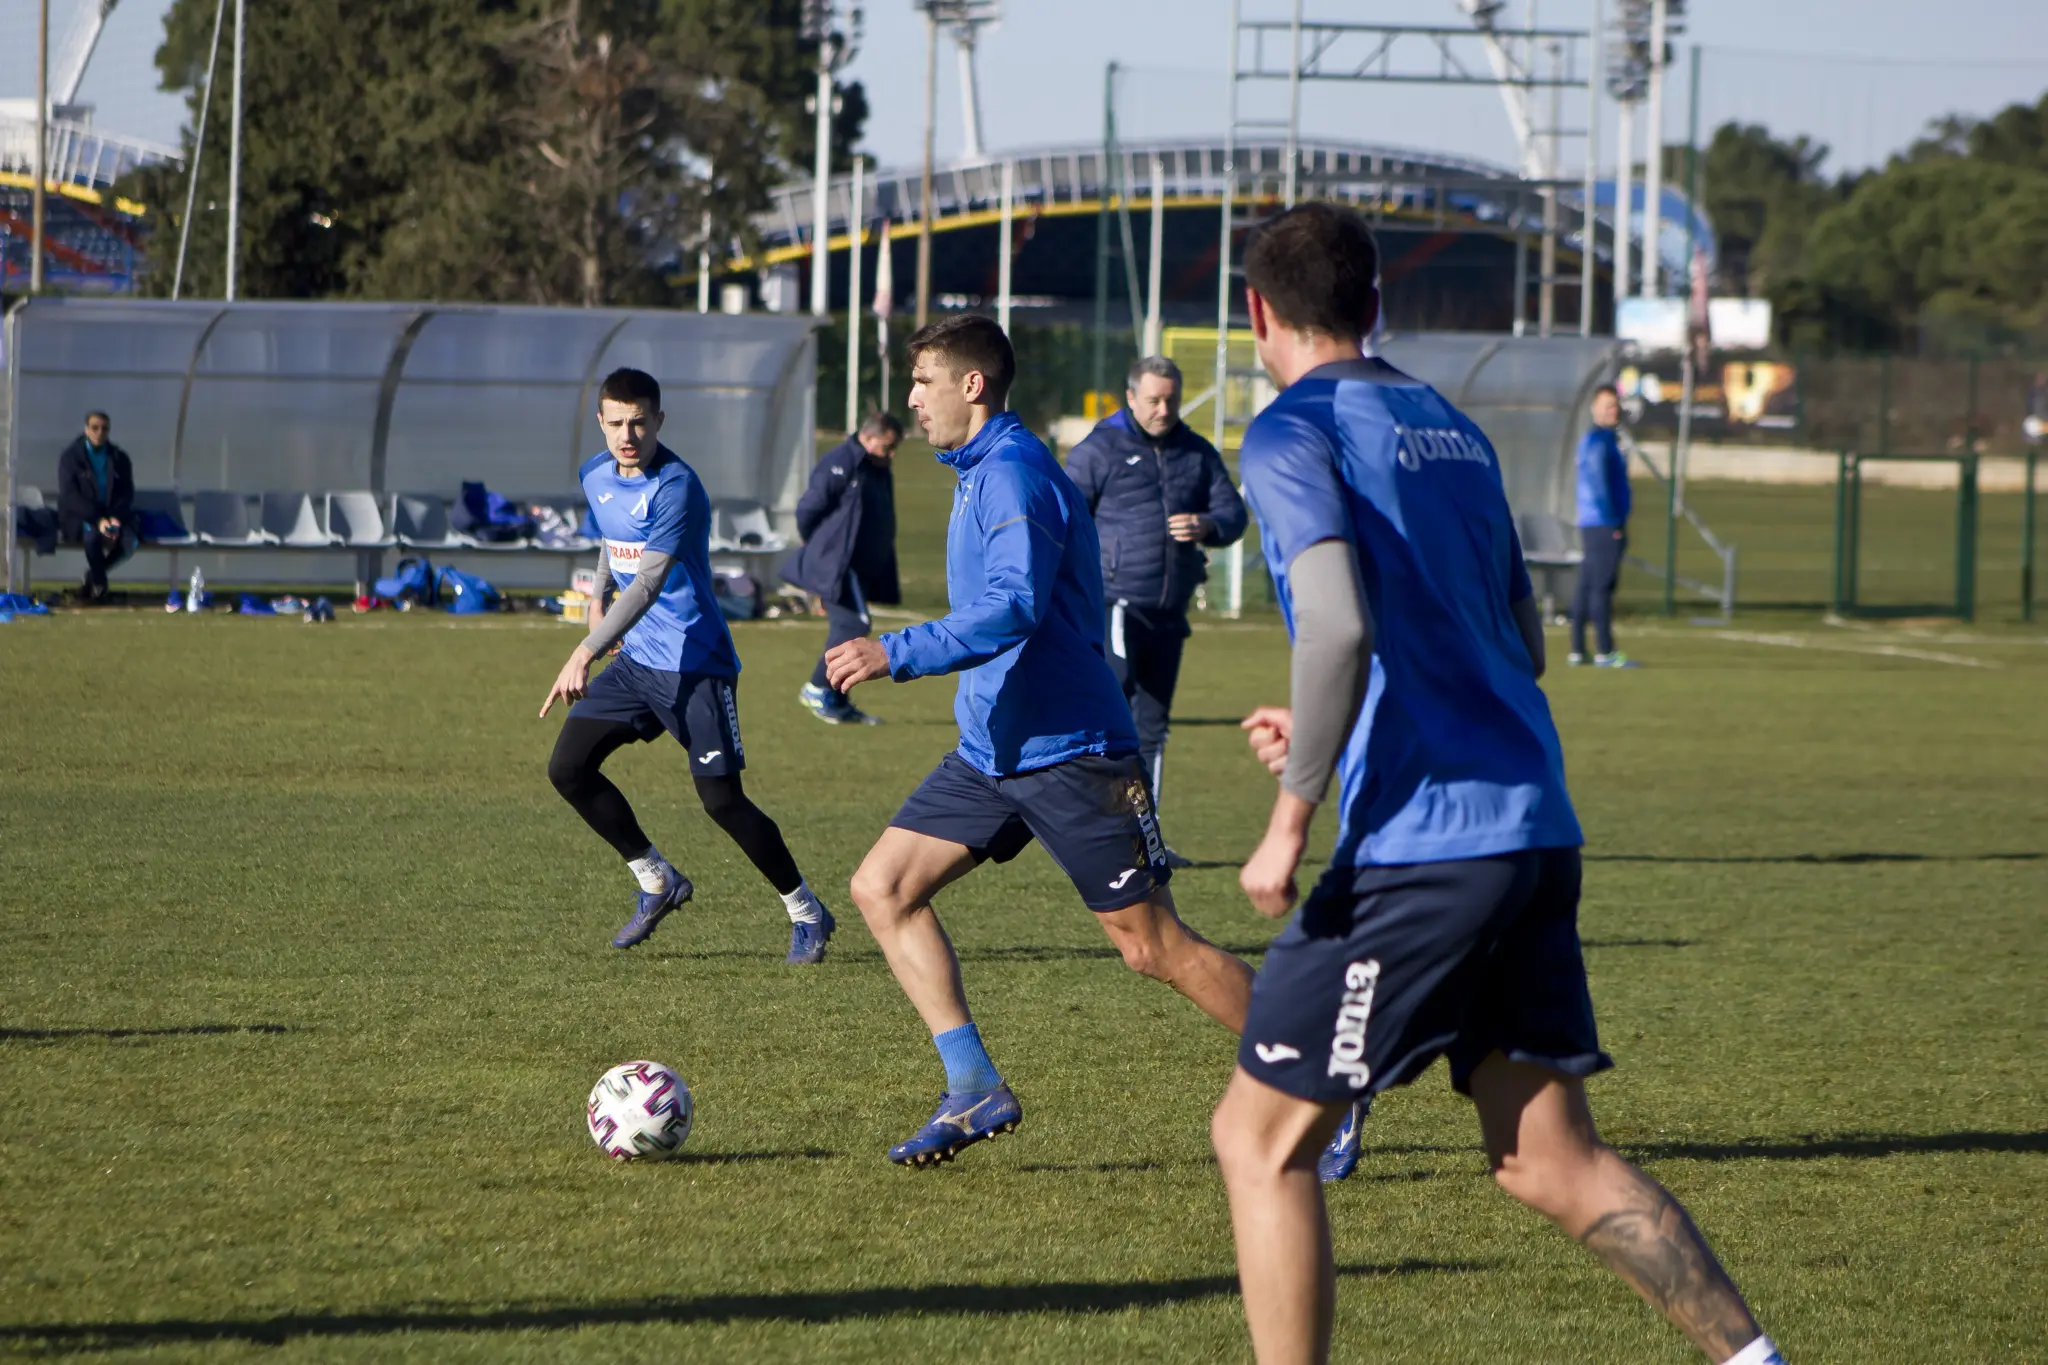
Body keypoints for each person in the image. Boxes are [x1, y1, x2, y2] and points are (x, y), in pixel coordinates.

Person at [1210, 203, 1783, 1365]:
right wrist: (1336, 723)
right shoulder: (1451, 428)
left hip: (1425, 848)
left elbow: (1336, 628)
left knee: (1256, 1142)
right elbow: (1518, 643)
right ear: (1374, 303)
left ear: (1255, 312)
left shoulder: (1287, 431)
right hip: (1531, 824)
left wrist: (1286, 821)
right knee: (1545, 1160)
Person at [824, 315, 1267, 1169]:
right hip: (993, 749)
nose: (911, 400)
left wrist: (896, 651)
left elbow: (1013, 606)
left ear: (973, 385)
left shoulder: (1014, 475)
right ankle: (973, 1086)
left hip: (1073, 750)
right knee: (883, 887)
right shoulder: (976, 470)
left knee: (1153, 947)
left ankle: (1324, 1077)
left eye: (924, 382)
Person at [540, 368, 837, 965]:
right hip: (637, 664)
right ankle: (657, 879)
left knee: (722, 802)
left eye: (639, 422)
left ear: (659, 421)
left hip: (696, 665)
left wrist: (584, 649)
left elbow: (649, 582)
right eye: (616, 423)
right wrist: (597, 595)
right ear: (600, 421)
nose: (627, 435)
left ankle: (807, 911)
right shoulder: (595, 473)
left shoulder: (678, 487)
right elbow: (612, 538)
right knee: (568, 769)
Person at [1064, 355, 1247, 864]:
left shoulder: (1196, 452)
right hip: (1116, 604)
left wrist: (1208, 525)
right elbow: (1062, 516)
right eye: (1154, 400)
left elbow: (1233, 512)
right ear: (1130, 397)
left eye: (1172, 399)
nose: (1164, 409)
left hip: (1169, 610)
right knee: (1111, 714)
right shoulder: (1099, 449)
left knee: (1152, 726)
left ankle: (1145, 839)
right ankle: (1096, 831)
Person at [788, 411, 904, 725]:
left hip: (860, 565)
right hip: (836, 563)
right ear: (868, 437)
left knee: (853, 626)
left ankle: (838, 700)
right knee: (853, 625)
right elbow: (808, 510)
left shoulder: (878, 467)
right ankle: (817, 688)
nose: (892, 454)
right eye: (888, 446)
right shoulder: (841, 462)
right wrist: (822, 549)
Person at [1571, 385, 1637, 668]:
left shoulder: (1592, 439)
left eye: (1615, 405)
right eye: (1608, 406)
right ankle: (1605, 650)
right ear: (1594, 409)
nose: (1614, 411)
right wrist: (1613, 521)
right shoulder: (1601, 441)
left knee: (1586, 585)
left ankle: (1577, 649)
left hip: (1591, 521)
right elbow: (1600, 484)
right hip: (1602, 522)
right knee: (1602, 587)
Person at [56, 411, 137, 603]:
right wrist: (98, 519)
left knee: (130, 542)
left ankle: (93, 576)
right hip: (82, 517)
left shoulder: (119, 458)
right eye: (95, 428)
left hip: (112, 517)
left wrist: (115, 516)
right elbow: (70, 496)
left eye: (104, 428)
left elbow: (127, 492)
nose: (99, 432)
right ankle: (100, 587)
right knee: (92, 537)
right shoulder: (71, 458)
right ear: (86, 429)